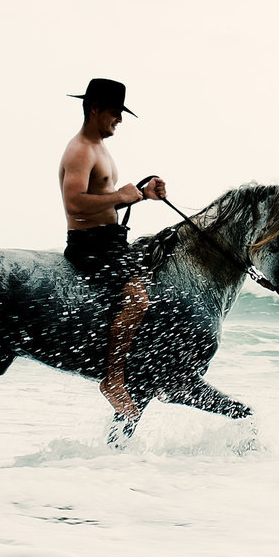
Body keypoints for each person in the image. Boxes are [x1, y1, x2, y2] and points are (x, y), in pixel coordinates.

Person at [58, 78, 167, 420]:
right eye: (115, 112)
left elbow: (102, 201)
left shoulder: (100, 148)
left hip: (109, 241)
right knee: (137, 299)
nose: (119, 119)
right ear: (94, 110)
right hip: (89, 246)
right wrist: (121, 195)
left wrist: (142, 194)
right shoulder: (80, 150)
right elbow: (74, 203)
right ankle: (114, 380)